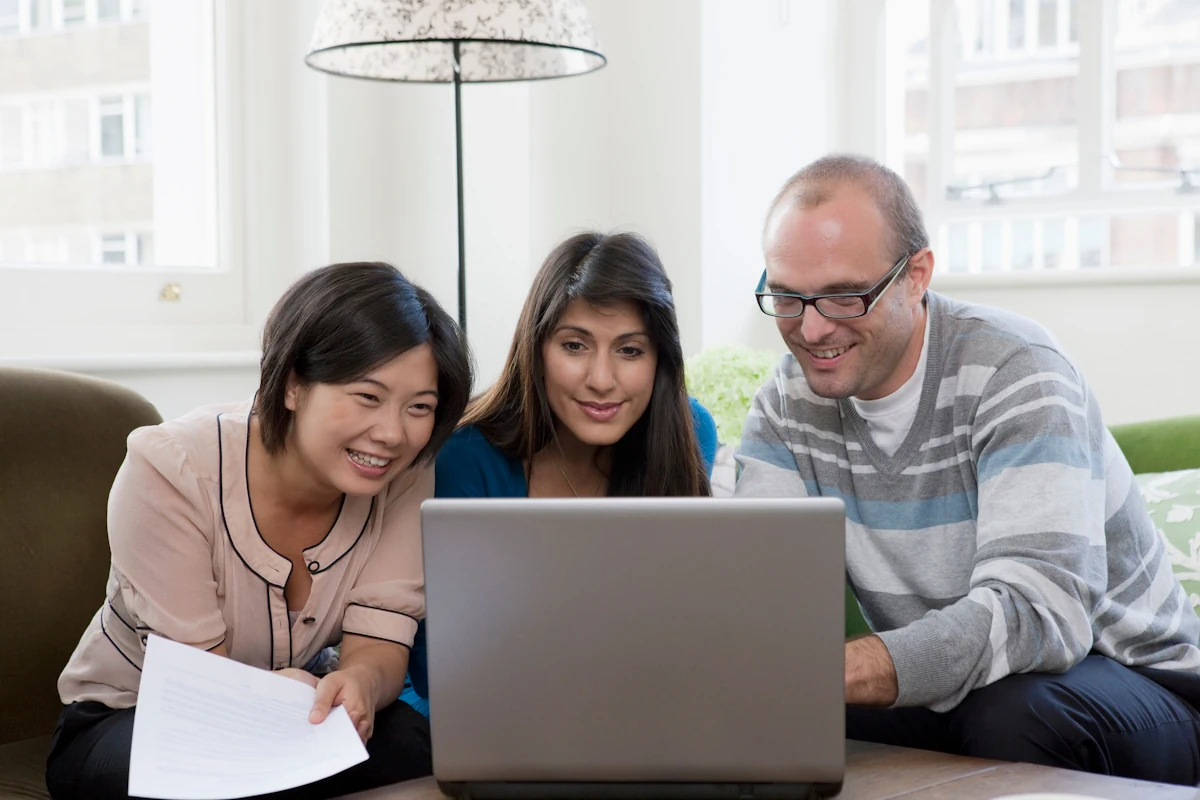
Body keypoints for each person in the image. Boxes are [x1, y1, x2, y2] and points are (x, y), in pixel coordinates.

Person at [734, 154, 1200, 784]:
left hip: (1138, 685)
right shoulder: (787, 402)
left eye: (844, 297)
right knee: (790, 718)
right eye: (788, 298)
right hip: (962, 686)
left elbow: (1040, 615)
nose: (812, 329)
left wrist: (850, 668)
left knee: (1015, 712)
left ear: (916, 275)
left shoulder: (1015, 367)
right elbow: (767, 595)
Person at [47, 262, 472, 800]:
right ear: (294, 384)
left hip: (302, 705)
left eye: (419, 408)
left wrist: (360, 682)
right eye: (367, 397)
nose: (391, 433)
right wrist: (275, 700)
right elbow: (205, 686)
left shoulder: (406, 475)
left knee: (418, 746)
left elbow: (380, 643)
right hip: (138, 719)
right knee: (238, 775)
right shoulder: (168, 467)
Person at [400, 231, 714, 716]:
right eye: (575, 346)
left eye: (630, 350)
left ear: (661, 361)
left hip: (640, 712)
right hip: (483, 718)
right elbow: (431, 668)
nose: (602, 380)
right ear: (537, 348)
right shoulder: (464, 458)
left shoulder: (690, 434)